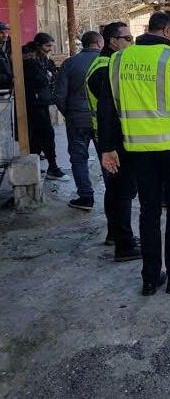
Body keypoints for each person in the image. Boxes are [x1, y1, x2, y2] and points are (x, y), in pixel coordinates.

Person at [98, 11, 170, 296]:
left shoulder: (118, 59)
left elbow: (106, 109)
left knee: (148, 212)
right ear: (167, 30)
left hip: (135, 151)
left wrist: (107, 147)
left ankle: (150, 278)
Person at [86, 22, 141, 261]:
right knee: (122, 192)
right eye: (127, 38)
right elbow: (112, 109)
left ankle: (116, 235)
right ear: (113, 42)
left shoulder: (105, 65)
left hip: (109, 138)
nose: (131, 42)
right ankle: (125, 244)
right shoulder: (105, 68)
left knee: (116, 190)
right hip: (113, 141)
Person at [55, 31, 103, 210]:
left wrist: (69, 114)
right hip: (102, 120)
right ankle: (114, 195)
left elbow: (59, 95)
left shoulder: (70, 63)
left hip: (77, 119)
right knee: (108, 156)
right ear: (99, 43)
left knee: (78, 158)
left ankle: (85, 196)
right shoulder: (107, 61)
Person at [23, 32, 67, 180]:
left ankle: (33, 167)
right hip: (33, 103)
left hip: (41, 101)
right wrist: (47, 76)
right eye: (47, 46)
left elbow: (51, 74)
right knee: (45, 134)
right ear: (38, 45)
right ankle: (52, 167)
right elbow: (41, 78)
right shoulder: (29, 59)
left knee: (37, 137)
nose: (50, 49)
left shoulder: (43, 58)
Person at [0, 22, 11, 91]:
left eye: (6, 32)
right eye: (1, 33)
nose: (5, 35)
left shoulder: (11, 45)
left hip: (9, 86)